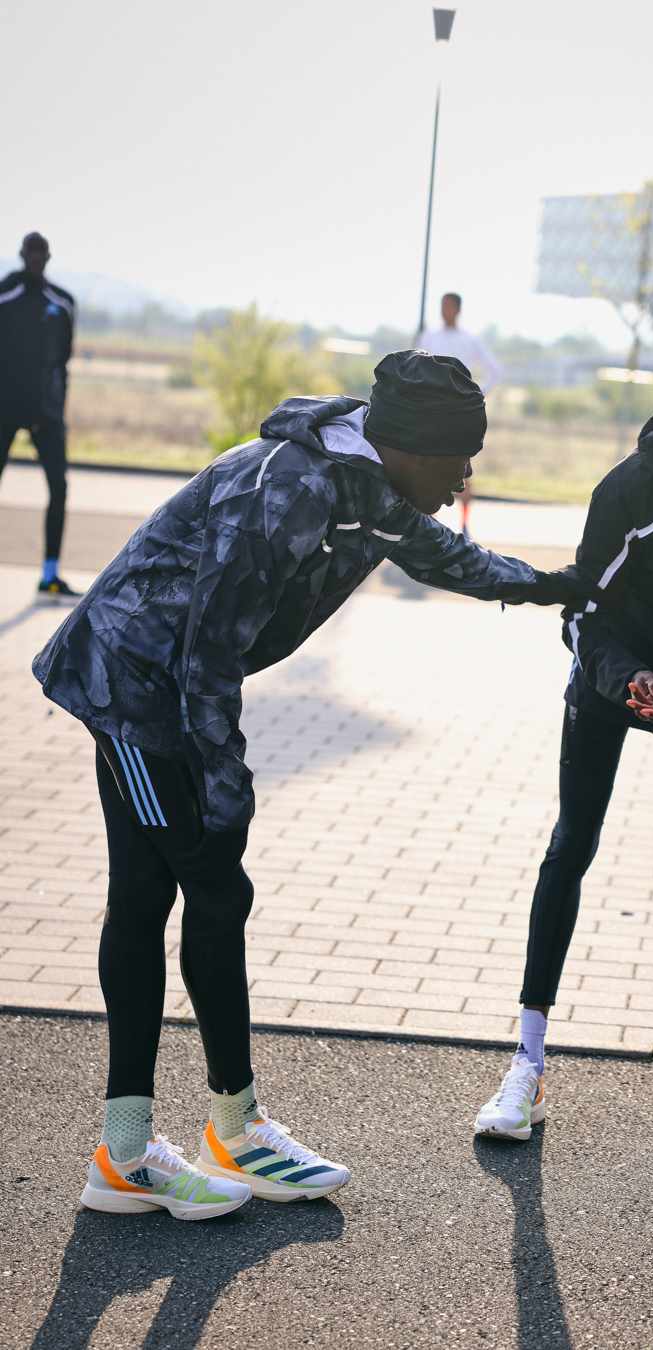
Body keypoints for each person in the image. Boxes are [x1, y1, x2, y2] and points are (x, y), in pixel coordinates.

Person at [32, 351, 589, 1221]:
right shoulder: (292, 488)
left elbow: (441, 555)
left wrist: (552, 585)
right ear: (409, 448)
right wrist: (226, 785)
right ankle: (171, 1145)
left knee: (161, 896)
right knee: (208, 890)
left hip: (171, 686)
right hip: (133, 684)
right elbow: (208, 646)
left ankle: (165, 1142)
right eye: (460, 457)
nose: (468, 473)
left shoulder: (369, 482)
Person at [473, 350, 653, 1142]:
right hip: (619, 676)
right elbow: (583, 609)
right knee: (570, 845)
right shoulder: (628, 489)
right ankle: (526, 1067)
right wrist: (628, 673)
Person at [0, 232, 79, 598]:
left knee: (59, 488)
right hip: (4, 407)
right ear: (21, 255)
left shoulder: (63, 302)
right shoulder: (5, 293)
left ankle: (50, 574)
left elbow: (63, 361)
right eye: (29, 252)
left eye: (40, 252)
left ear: (47, 256)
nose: (35, 258)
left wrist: (58, 402)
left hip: (45, 412)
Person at [418, 294, 504, 538]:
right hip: (431, 413)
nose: (444, 310)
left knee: (461, 468)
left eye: (448, 305)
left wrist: (474, 395)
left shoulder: (470, 340)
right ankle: (429, 522)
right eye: (441, 305)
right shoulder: (428, 338)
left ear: (457, 309)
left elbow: (496, 371)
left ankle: (465, 524)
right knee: (427, 466)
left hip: (457, 414)